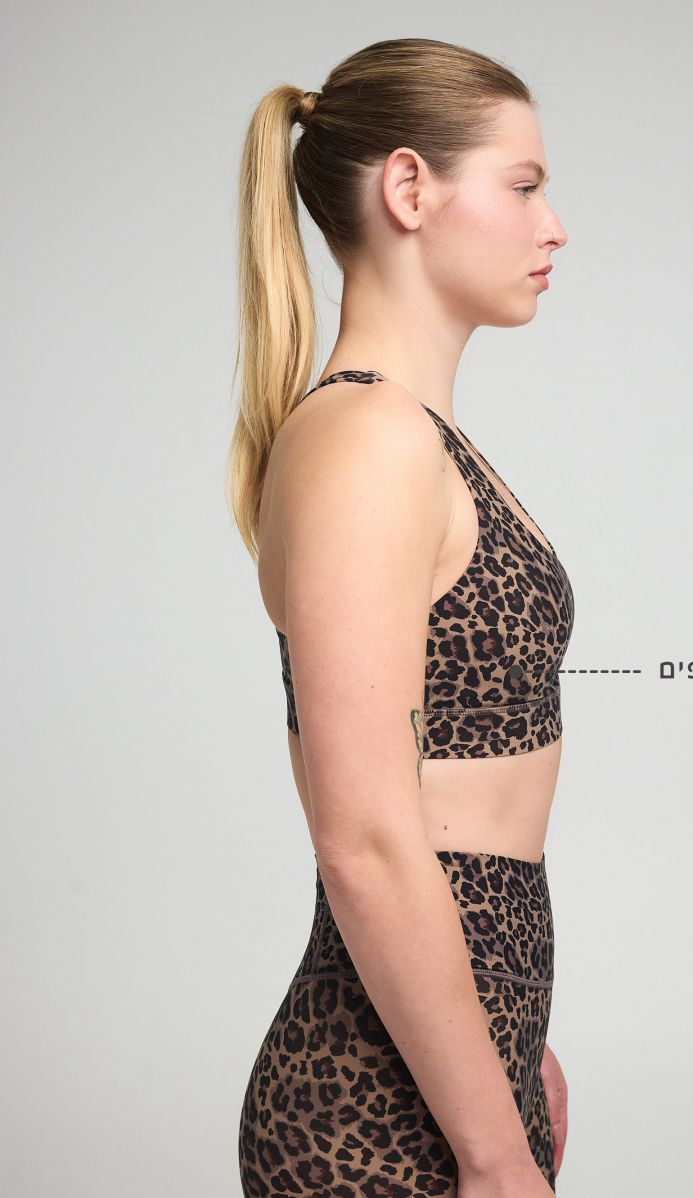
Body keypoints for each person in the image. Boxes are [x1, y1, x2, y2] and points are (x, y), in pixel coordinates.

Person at [226, 36, 573, 1198]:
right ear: (411, 189)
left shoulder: (411, 437)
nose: (553, 226)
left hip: (449, 1075)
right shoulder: (368, 440)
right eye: (523, 185)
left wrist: (510, 1055)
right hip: (373, 1117)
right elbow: (367, 837)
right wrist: (491, 1147)